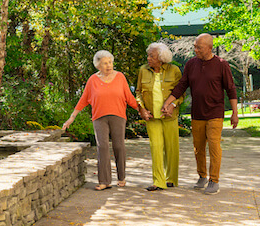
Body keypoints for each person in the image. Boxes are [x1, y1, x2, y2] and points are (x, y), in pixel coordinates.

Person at [162, 33, 238, 194]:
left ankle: (214, 180)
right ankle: (202, 176)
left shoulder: (221, 64)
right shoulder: (191, 64)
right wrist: (168, 103)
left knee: (214, 145)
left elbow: (231, 89)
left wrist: (235, 113)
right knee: (198, 148)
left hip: (215, 112)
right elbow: (181, 86)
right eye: (195, 46)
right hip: (197, 113)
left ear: (209, 48)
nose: (195, 49)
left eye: (199, 47)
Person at [63, 50, 139, 190]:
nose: (109, 65)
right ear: (98, 65)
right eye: (105, 63)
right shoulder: (93, 80)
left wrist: (142, 110)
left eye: (110, 62)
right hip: (99, 117)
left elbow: (129, 97)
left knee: (118, 146)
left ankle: (121, 177)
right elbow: (83, 99)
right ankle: (104, 181)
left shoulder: (120, 77)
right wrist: (71, 118)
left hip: (118, 115)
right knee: (102, 147)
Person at [136, 42, 184, 191]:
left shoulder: (174, 70)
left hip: (169, 116)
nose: (148, 58)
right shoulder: (143, 70)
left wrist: (172, 105)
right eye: (148, 55)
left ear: (161, 58)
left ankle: (171, 178)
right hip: (152, 117)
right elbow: (138, 92)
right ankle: (158, 181)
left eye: (152, 56)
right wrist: (141, 109)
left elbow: (180, 93)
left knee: (171, 148)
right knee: (155, 148)